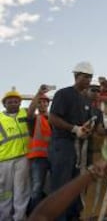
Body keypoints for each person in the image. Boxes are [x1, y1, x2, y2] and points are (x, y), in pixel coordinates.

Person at [48, 61, 95, 220]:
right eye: (85, 77)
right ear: (76, 76)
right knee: (61, 185)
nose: (88, 81)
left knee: (75, 186)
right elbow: (53, 118)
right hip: (62, 145)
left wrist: (86, 129)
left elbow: (85, 124)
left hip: (77, 148)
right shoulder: (63, 94)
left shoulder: (86, 101)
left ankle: (73, 217)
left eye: (90, 77)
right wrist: (74, 129)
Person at [0, 88, 32, 220]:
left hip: (23, 158)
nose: (13, 103)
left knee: (21, 190)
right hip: (4, 161)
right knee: (5, 192)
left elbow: (34, 110)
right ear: (4, 104)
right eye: (10, 102)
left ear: (20, 103)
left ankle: (19, 217)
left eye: (16, 101)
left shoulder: (25, 114)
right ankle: (5, 217)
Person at [26, 86, 52, 214]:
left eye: (44, 102)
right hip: (38, 157)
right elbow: (30, 112)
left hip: (53, 157)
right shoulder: (35, 119)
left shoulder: (53, 118)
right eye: (40, 102)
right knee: (36, 188)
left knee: (54, 187)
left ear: (48, 104)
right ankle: (33, 215)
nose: (42, 104)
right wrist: (39, 93)